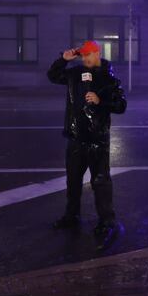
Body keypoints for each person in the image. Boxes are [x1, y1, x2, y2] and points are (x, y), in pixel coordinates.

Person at [47, 40, 127, 249]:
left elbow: (121, 105)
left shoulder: (108, 78)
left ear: (97, 53)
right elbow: (53, 76)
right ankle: (71, 216)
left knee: (101, 182)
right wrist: (62, 60)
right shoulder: (74, 74)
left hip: (98, 139)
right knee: (73, 181)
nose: (85, 58)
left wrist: (101, 102)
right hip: (75, 137)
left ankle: (106, 220)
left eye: (89, 54)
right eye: (83, 55)